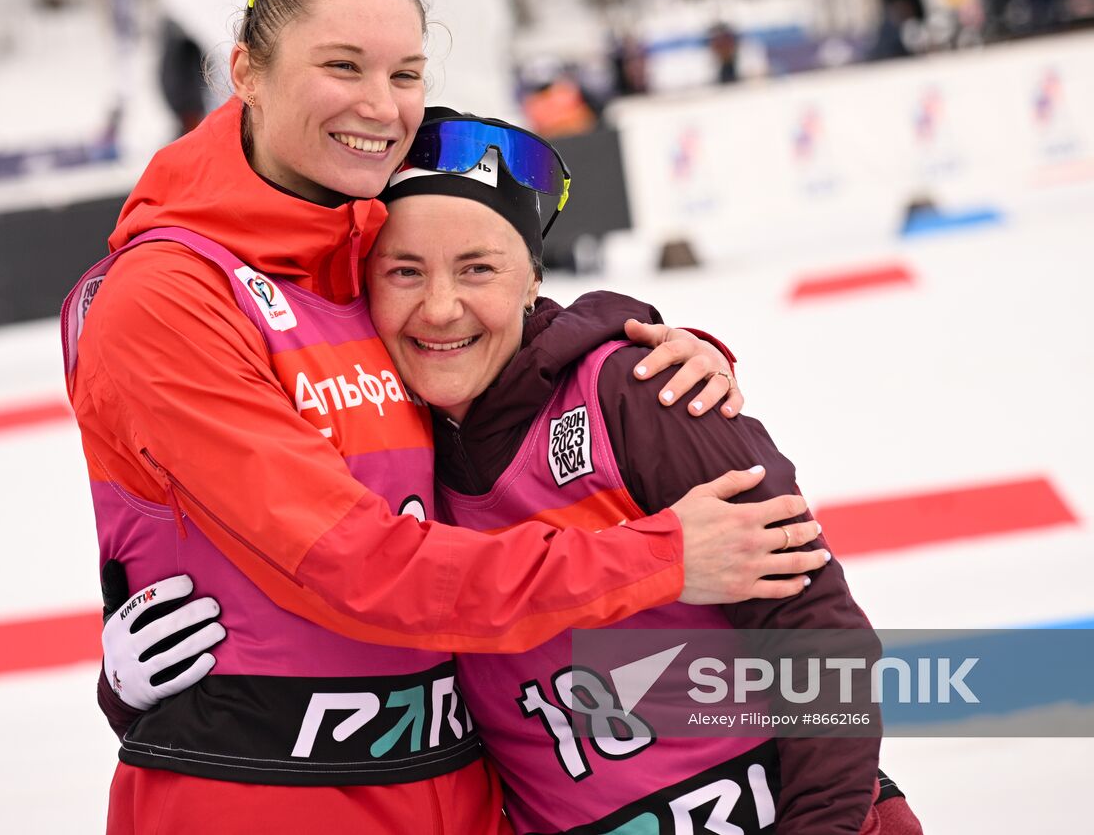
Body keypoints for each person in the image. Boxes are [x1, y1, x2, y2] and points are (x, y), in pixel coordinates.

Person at [65, 0, 826, 834]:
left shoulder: (357, 250)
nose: (380, 107)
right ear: (246, 72)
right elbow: (354, 566)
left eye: (406, 72)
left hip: (459, 793)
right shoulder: (170, 294)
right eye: (341, 66)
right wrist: (662, 556)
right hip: (271, 804)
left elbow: (489, 329)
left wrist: (647, 357)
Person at [109, 111, 925, 833]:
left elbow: (822, 643)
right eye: (404, 272)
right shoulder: (388, 455)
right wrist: (137, 691)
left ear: (533, 276)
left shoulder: (636, 393)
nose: (439, 308)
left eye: (478, 269)